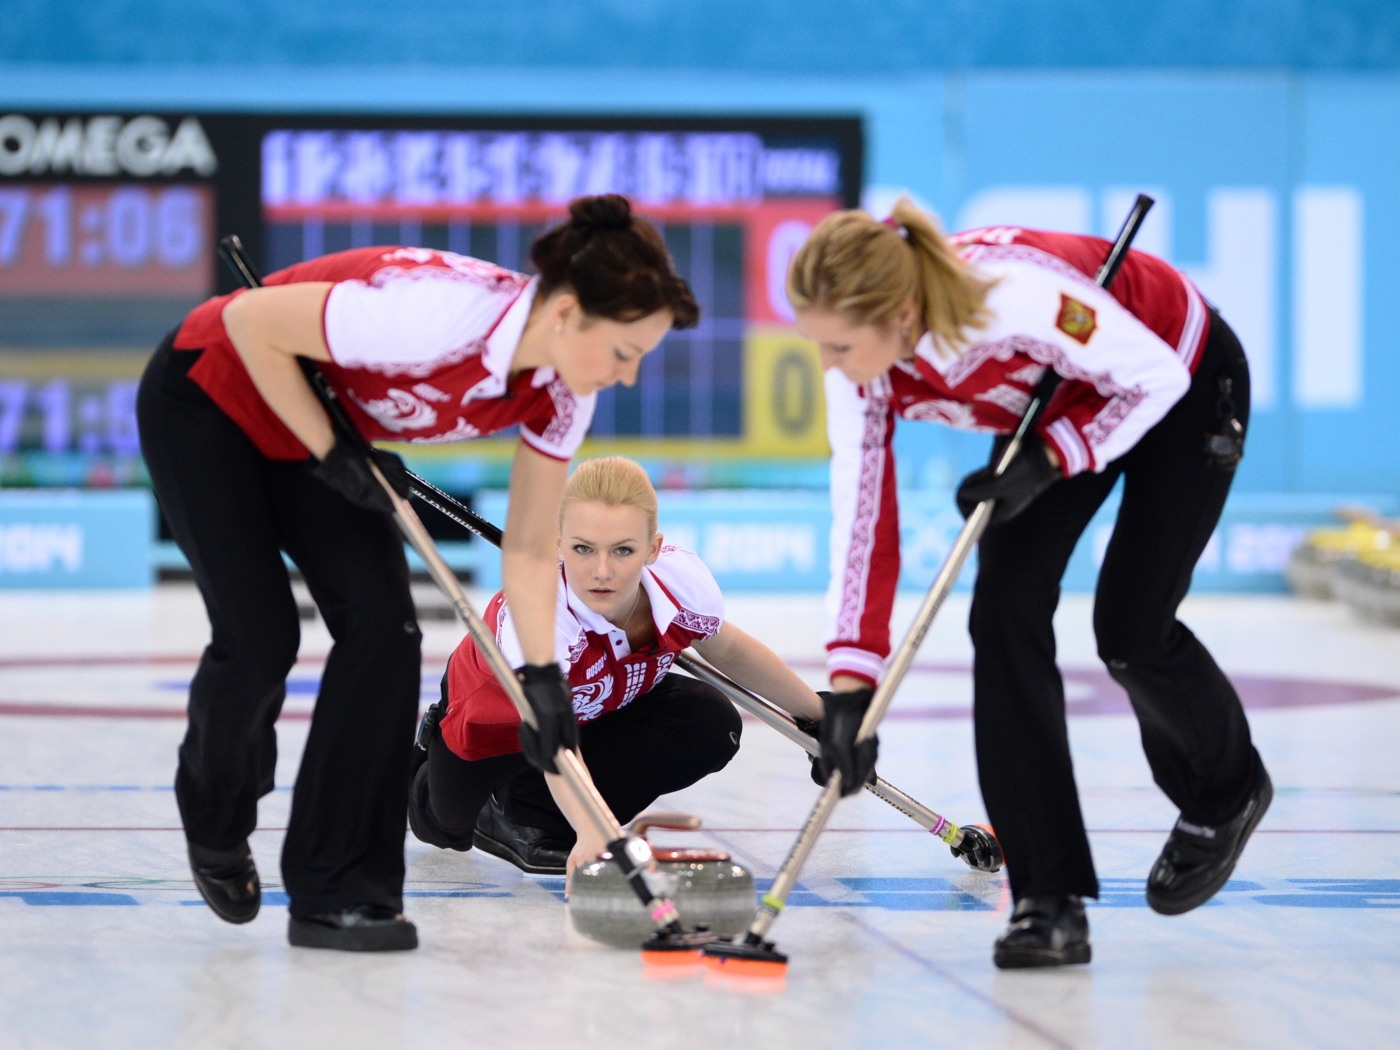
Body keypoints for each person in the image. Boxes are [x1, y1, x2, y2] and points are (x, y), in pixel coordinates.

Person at [136, 195, 698, 951]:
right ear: (567, 313)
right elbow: (247, 325)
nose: (626, 377)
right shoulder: (438, 313)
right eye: (625, 353)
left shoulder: (567, 390)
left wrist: (540, 679)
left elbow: (532, 547)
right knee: (261, 635)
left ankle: (340, 892)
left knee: (385, 632)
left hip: (316, 424)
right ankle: (216, 816)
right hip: (211, 397)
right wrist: (334, 457)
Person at [786, 200, 1271, 969]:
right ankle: (1048, 899)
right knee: (1003, 612)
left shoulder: (1007, 297)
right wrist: (852, 692)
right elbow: (863, 519)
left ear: (903, 312)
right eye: (819, 344)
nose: (831, 365)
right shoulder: (860, 373)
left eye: (841, 345)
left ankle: (1226, 788)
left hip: (1179, 376)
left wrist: (1051, 461)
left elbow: (1149, 377)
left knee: (1130, 630)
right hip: (1061, 407)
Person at [409, 456, 825, 880]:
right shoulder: (537, 613)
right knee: (445, 826)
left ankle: (524, 811)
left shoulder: (681, 581)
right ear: (557, 543)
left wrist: (820, 716)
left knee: (710, 721)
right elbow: (550, 735)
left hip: (598, 708)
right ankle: (433, 768)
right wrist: (594, 832)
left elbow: (728, 648)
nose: (602, 572)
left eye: (623, 550)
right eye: (583, 549)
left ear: (654, 549)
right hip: (499, 730)